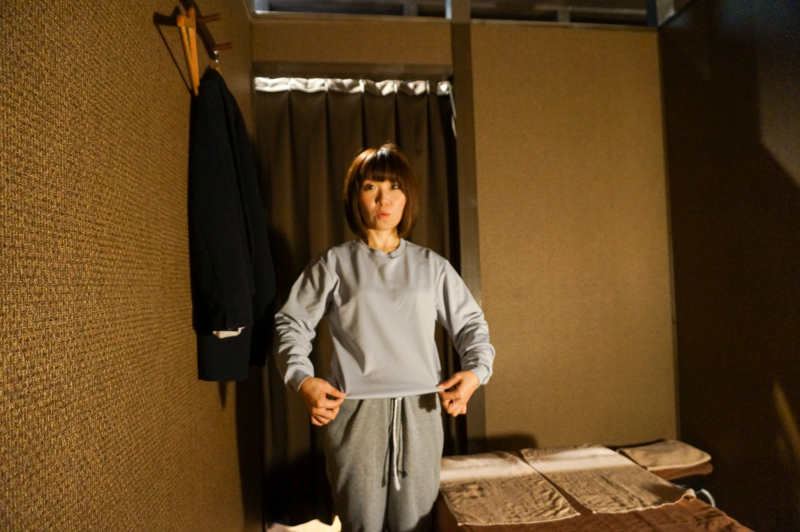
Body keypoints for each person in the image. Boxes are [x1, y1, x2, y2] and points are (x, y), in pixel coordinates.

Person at [273, 144, 495, 532]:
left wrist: (476, 373)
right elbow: (291, 323)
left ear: (408, 197)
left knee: (418, 525)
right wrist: (302, 380)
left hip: (421, 412)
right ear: (355, 197)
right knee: (360, 525)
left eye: (394, 187)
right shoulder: (334, 264)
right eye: (370, 187)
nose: (383, 199)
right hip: (354, 416)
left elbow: (472, 326)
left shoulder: (431, 266)